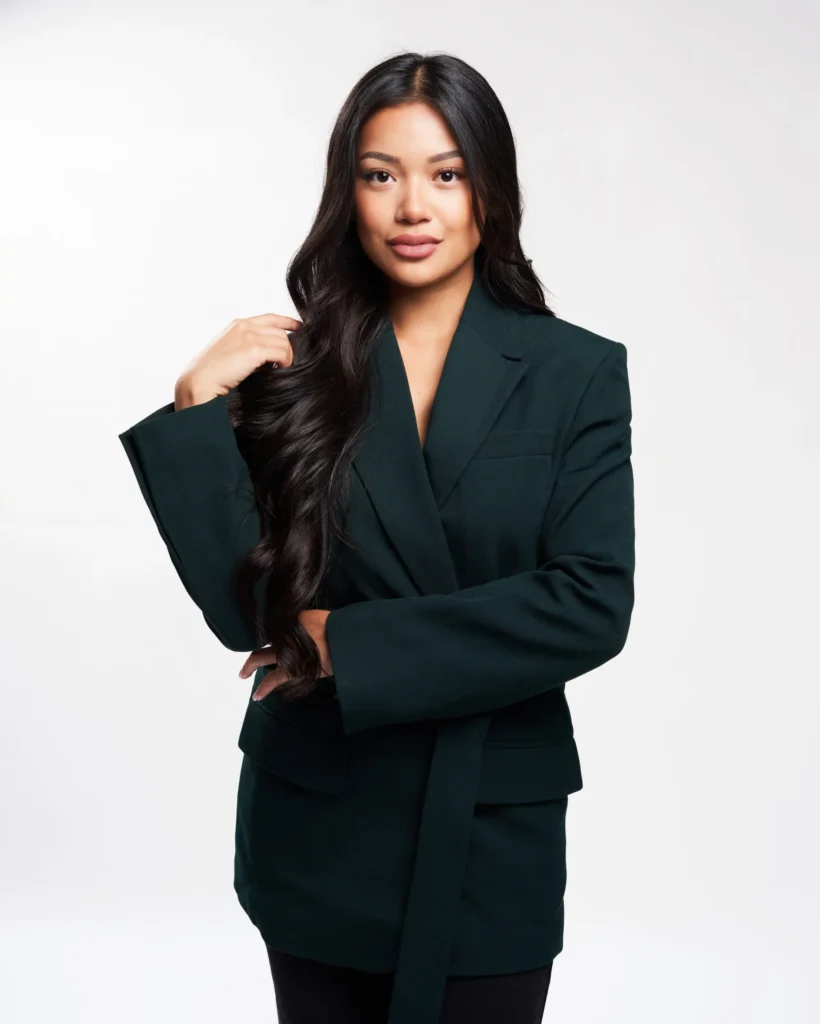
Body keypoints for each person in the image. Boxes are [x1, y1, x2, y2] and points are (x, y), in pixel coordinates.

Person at [118, 51, 635, 1024]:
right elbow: (248, 615)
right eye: (379, 173)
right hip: (321, 823)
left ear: (489, 186)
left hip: (492, 829)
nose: (413, 205)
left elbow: (591, 601)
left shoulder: (576, 371)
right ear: (346, 192)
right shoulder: (296, 369)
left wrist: (340, 643)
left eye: (444, 173)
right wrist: (195, 411)